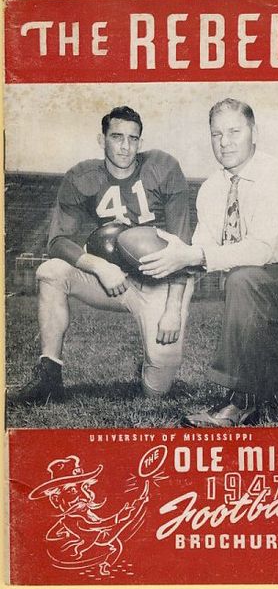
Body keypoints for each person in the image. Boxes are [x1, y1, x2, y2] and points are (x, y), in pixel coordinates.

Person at [139, 98, 278, 427]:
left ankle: (239, 402)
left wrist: (194, 254)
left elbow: (260, 250)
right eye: (216, 134)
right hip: (252, 285)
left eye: (234, 131)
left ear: (254, 132)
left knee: (241, 279)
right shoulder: (210, 189)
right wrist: (172, 303)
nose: (224, 142)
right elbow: (198, 252)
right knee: (260, 367)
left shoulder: (274, 175)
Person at [11, 105, 193, 404]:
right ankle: (49, 377)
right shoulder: (82, 176)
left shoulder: (163, 168)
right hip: (112, 279)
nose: (125, 146)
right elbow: (57, 241)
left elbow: (182, 244)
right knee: (51, 272)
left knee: (156, 391)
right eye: (117, 136)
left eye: (133, 138)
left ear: (141, 142)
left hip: (160, 281)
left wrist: (173, 308)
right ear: (102, 139)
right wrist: (98, 266)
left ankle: (151, 367)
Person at [28, 455, 149, 576]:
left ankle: (105, 566)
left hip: (96, 543)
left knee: (117, 543)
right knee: (116, 535)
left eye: (85, 487)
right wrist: (120, 517)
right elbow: (100, 527)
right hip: (88, 545)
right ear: (55, 499)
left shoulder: (85, 513)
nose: (87, 497)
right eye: (73, 490)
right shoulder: (75, 520)